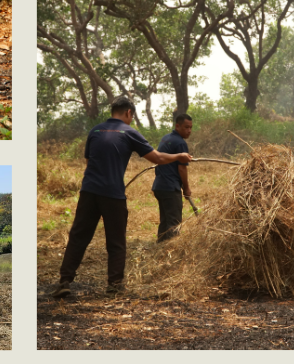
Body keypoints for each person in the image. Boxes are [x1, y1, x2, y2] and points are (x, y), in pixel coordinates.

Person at [51, 97, 193, 298]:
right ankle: (114, 285)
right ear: (128, 113)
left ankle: (64, 281)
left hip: (88, 191)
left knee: (78, 237)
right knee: (116, 240)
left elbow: (88, 162)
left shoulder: (95, 131)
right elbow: (158, 158)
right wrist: (179, 156)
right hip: (113, 194)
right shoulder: (129, 132)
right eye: (132, 115)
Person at [152, 113, 194, 243]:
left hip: (159, 186)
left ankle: (160, 247)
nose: (189, 131)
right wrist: (186, 189)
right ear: (177, 126)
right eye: (186, 127)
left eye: (190, 127)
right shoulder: (180, 143)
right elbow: (182, 168)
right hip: (170, 187)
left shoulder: (166, 138)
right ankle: (170, 251)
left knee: (165, 220)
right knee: (174, 222)